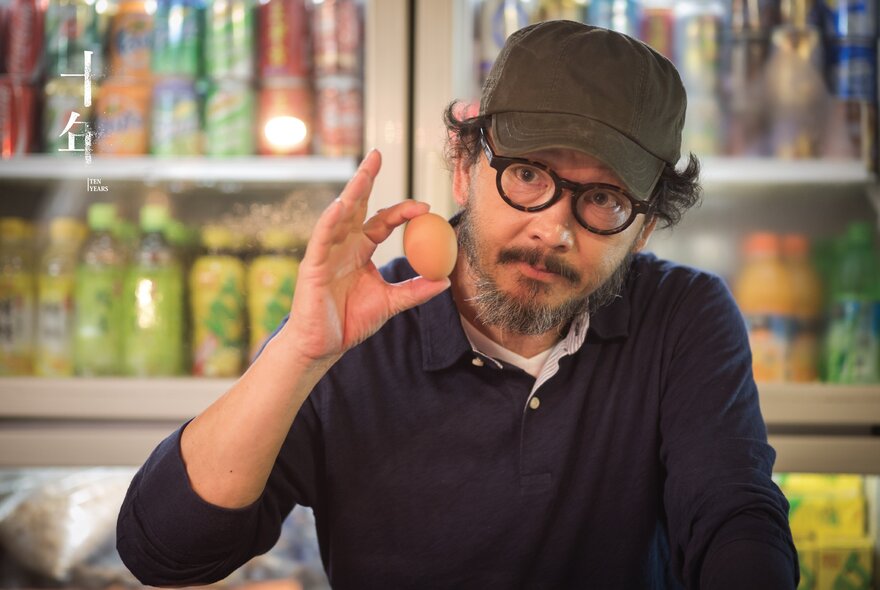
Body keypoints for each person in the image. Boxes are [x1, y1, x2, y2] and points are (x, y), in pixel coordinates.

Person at [117, 21, 798, 589]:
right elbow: (165, 550)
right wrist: (299, 352)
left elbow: (733, 512)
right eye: (528, 174)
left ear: (644, 227)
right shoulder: (361, 326)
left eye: (603, 200)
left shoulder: (682, 315)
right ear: (465, 165)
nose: (553, 229)